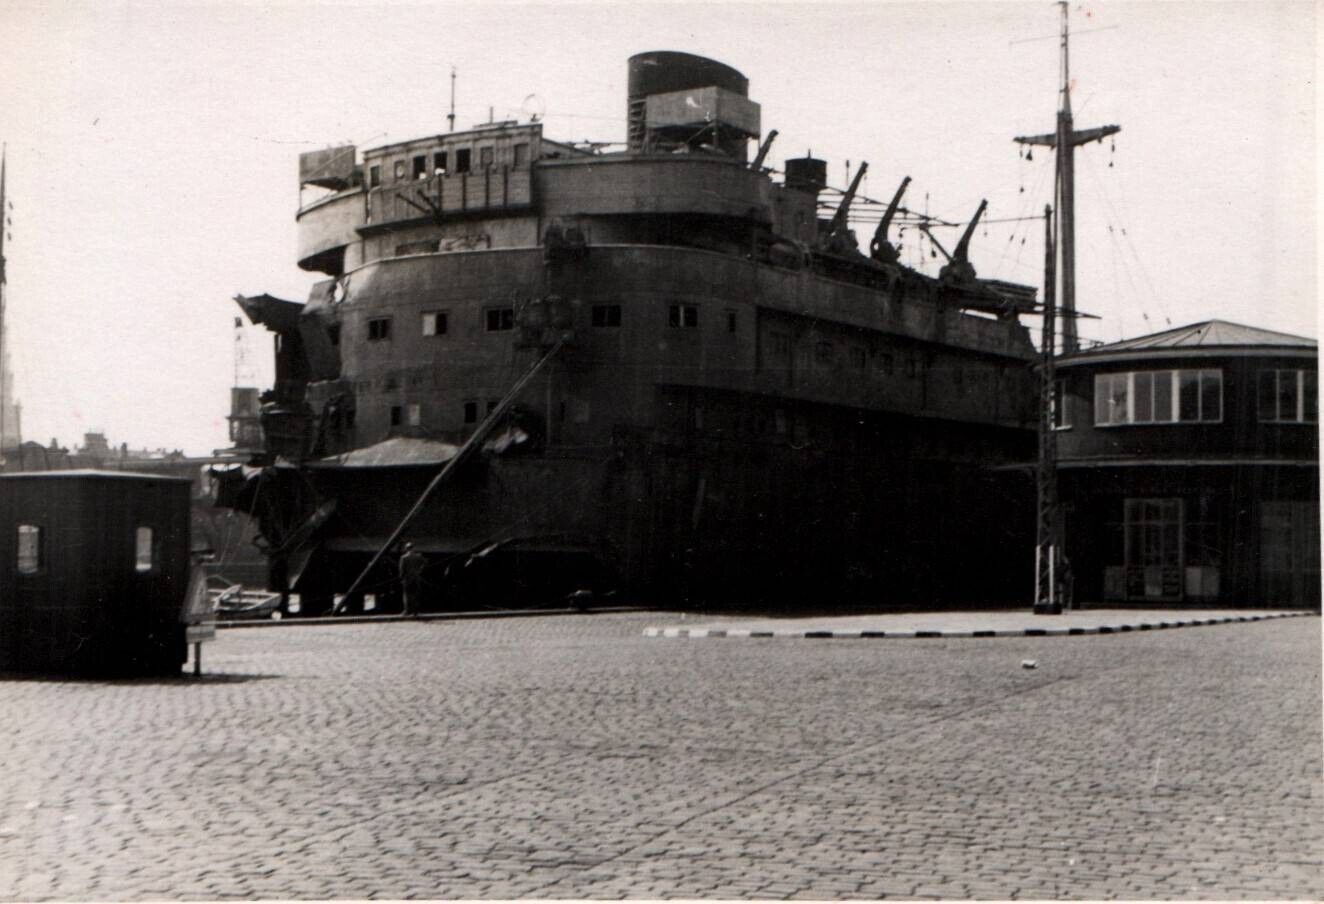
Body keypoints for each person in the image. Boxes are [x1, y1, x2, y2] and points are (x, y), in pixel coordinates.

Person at [398, 542, 427, 617]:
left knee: (406, 595)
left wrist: (401, 578)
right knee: (416, 594)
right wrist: (420, 570)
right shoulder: (418, 556)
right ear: (413, 548)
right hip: (416, 578)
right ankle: (415, 612)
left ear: (406, 548)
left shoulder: (403, 557)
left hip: (407, 578)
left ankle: (407, 611)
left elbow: (401, 570)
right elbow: (425, 562)